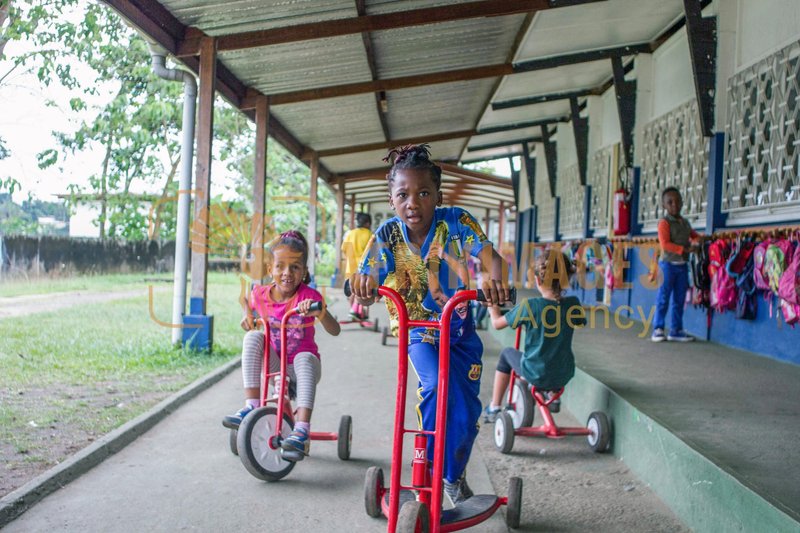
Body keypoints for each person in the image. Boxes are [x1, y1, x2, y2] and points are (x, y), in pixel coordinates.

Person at [351, 144, 510, 506]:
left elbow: (493, 261)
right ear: (391, 200)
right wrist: (364, 286)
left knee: (467, 412)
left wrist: (492, 278)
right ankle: (429, 471)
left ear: (438, 195)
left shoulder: (456, 221)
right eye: (403, 195)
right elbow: (367, 283)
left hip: (460, 333)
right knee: (436, 387)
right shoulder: (387, 235)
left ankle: (452, 476)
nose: (413, 203)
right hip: (418, 331)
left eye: (424, 193)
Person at [222, 230, 341, 461]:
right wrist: (247, 314)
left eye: (295, 267)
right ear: (270, 270)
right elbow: (245, 299)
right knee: (253, 337)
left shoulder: (309, 297)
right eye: (280, 266)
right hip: (276, 368)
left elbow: (335, 330)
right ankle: (251, 406)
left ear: (304, 272)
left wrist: (320, 312)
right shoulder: (261, 294)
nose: (287, 273)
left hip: (303, 369)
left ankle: (302, 429)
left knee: (303, 357)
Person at [483, 250, 585, 422]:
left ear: (537, 280)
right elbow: (580, 322)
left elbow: (497, 324)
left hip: (535, 371)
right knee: (550, 356)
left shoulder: (530, 306)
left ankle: (494, 407)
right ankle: (552, 393)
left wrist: (493, 308)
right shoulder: (573, 304)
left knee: (507, 354)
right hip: (564, 372)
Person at [651, 186, 700, 342]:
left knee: (679, 299)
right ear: (664, 205)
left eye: (677, 201)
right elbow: (665, 244)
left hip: (682, 266)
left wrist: (698, 241)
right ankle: (658, 329)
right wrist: (684, 249)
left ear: (682, 203)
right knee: (663, 297)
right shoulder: (664, 223)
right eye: (670, 202)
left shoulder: (685, 223)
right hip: (667, 265)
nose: (674, 205)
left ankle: (676, 330)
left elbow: (694, 236)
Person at [341, 212, 372, 319]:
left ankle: (354, 311)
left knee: (351, 291)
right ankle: (358, 311)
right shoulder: (369, 234)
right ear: (368, 223)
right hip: (363, 269)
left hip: (350, 267)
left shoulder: (351, 233)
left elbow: (344, 249)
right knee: (362, 291)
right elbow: (373, 251)